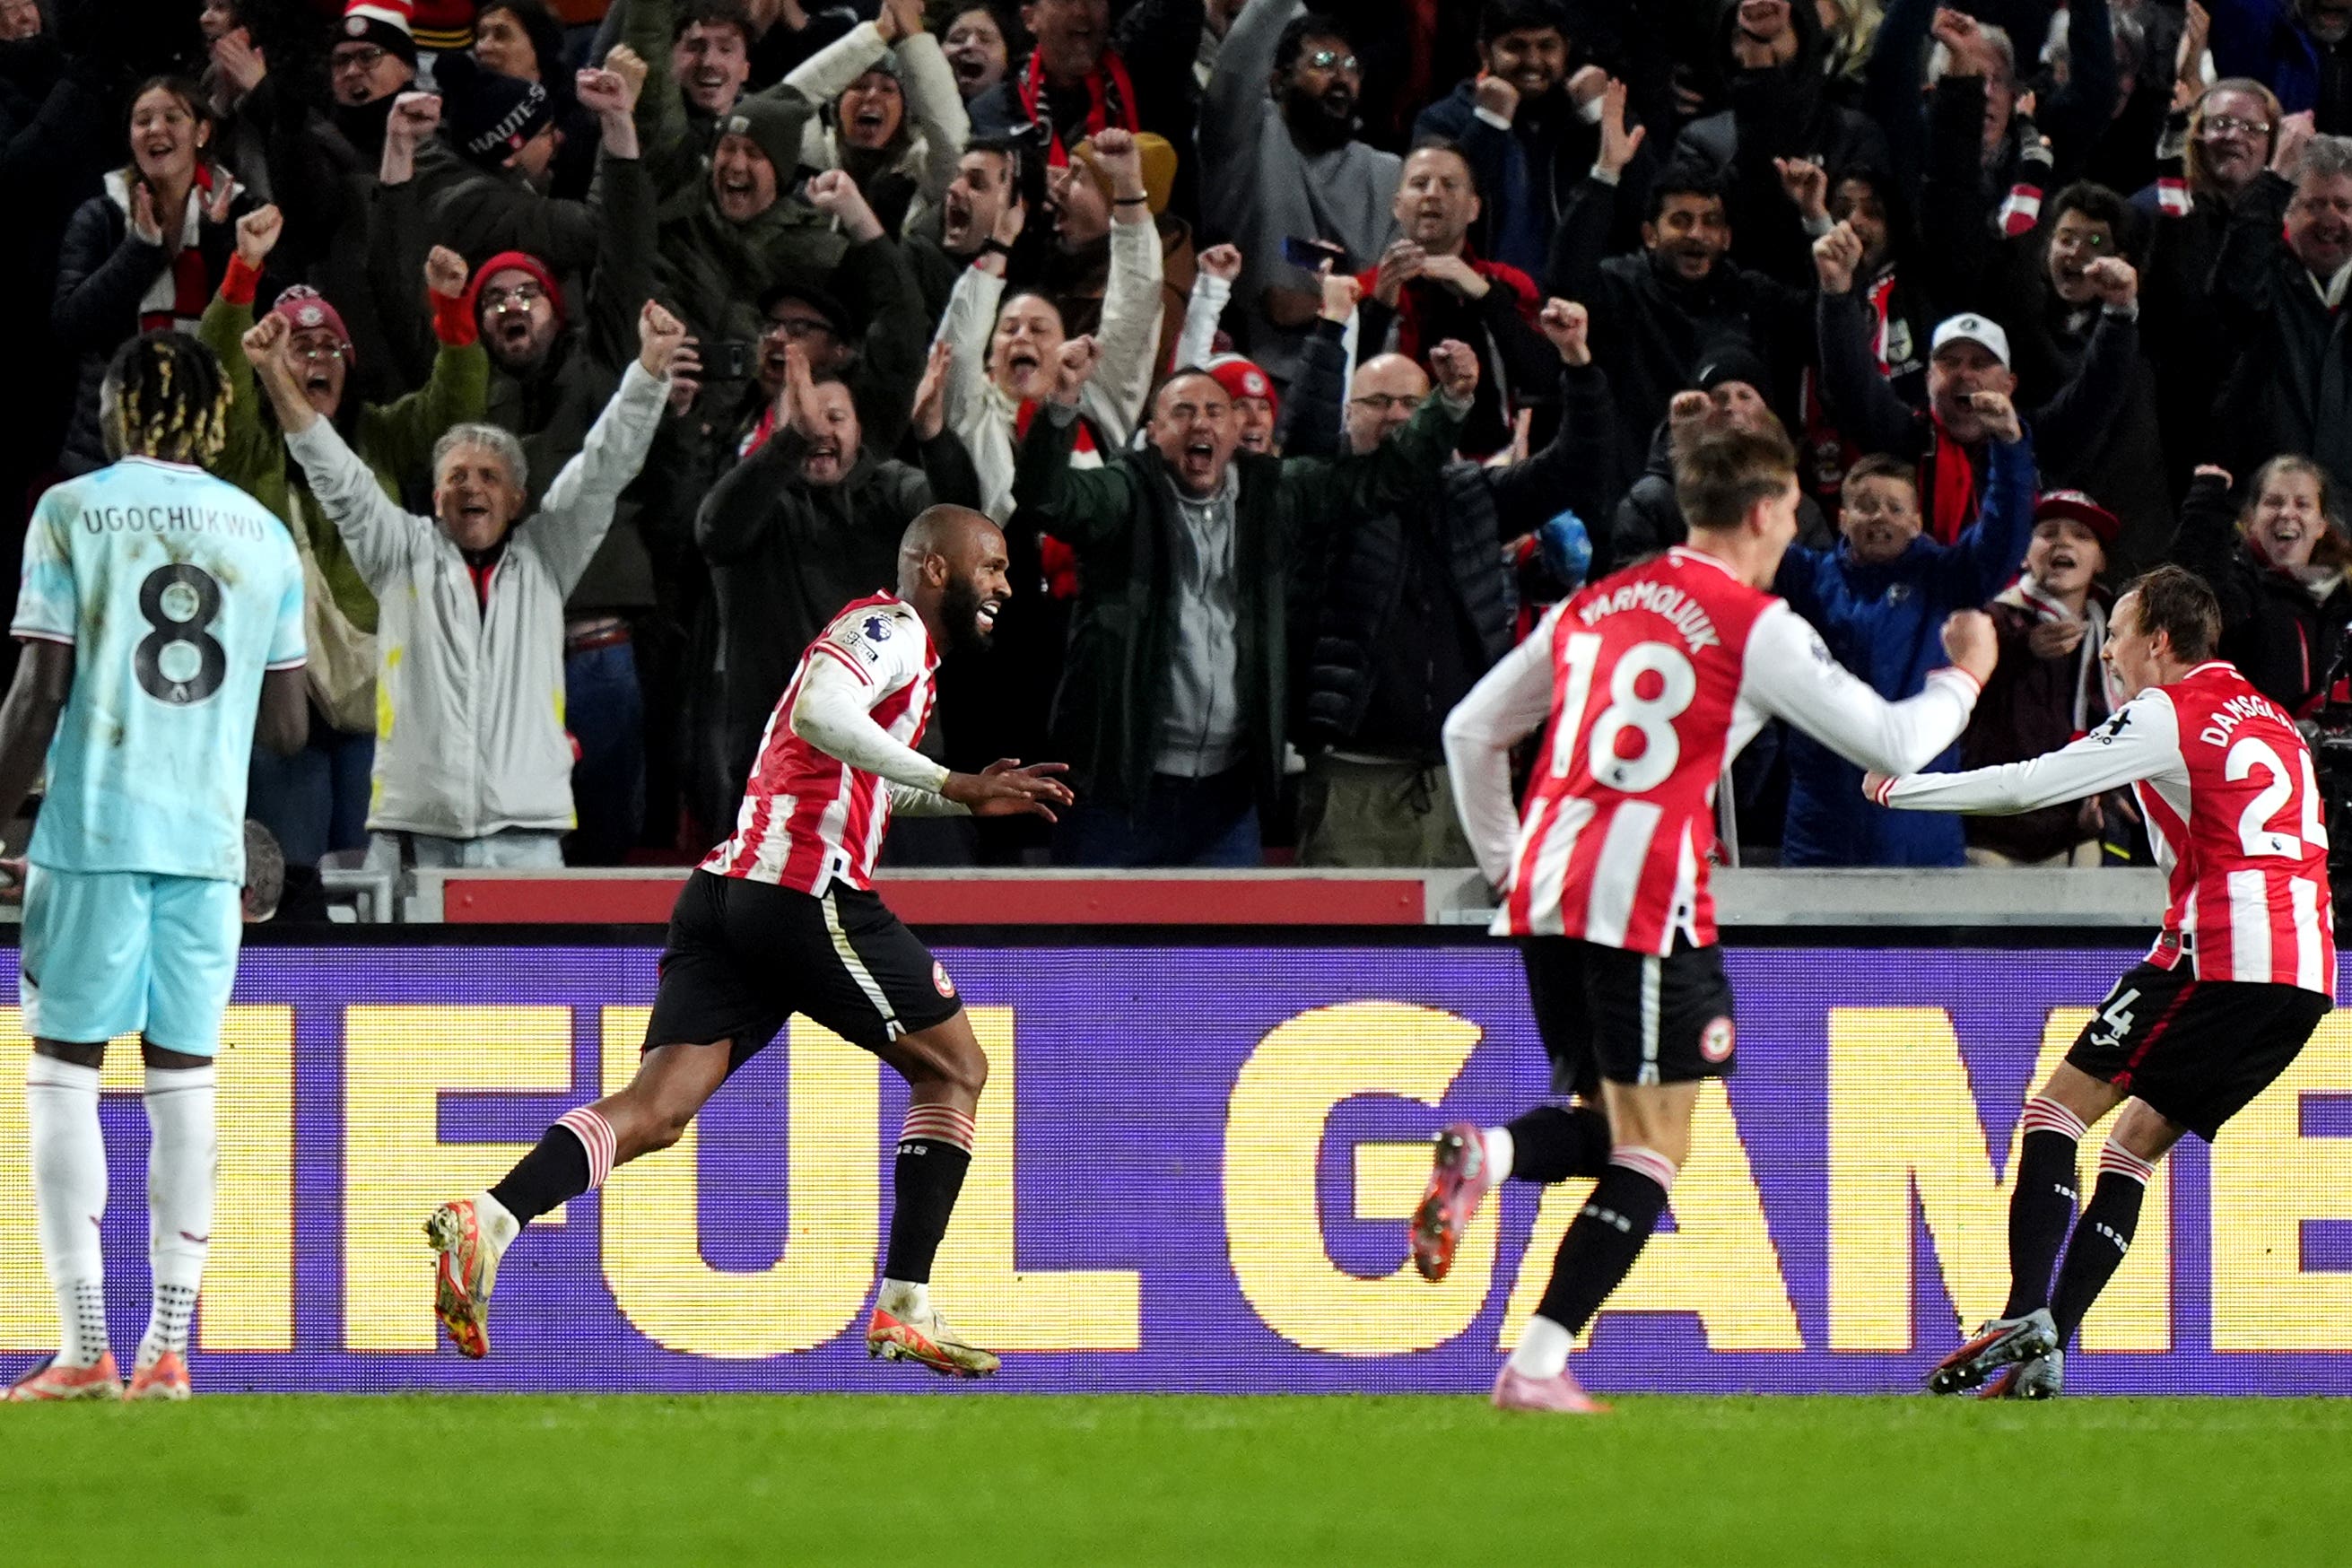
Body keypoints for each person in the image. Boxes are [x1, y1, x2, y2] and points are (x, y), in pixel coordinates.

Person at [1422, 419, 1997, 1412]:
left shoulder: (1593, 605)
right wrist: (1965, 673)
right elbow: (1897, 747)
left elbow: (1470, 730)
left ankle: (1497, 1160)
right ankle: (1537, 1365)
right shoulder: (1754, 622)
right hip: (1642, 898)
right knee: (1658, 1143)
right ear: (1769, 510)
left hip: (1546, 890)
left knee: (1608, 1123)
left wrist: (1515, 861)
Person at [424, 505, 1074, 1377]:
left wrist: (954, 796)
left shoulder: (897, 649)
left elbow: (844, 765)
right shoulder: (891, 626)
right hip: (801, 890)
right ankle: (906, 1303)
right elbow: (817, 711)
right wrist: (954, 775)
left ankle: (492, 1216)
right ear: (934, 568)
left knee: (657, 1110)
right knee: (956, 1067)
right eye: (990, 565)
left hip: (729, 890)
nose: (1003, 583)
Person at [1867, 565, 2336, 1398]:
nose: (2109, 651)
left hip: (2222, 955)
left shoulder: (2169, 710)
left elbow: (2028, 784)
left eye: (2117, 633)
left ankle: (2019, 1312)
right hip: (2305, 975)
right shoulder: (2273, 718)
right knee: (2133, 1147)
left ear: (2158, 640)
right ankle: (2053, 1344)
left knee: (2055, 1110)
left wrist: (1905, 791)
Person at [1, 332, 308, 1401]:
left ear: (121, 409)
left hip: (95, 829)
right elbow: (286, 724)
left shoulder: (72, 510)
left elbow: (39, 691)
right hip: (206, 848)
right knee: (184, 1083)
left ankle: (83, 1344)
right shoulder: (265, 535)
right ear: (217, 418)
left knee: (65, 1072)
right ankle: (167, 1348)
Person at [246, 300, 684, 872]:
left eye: (488, 477)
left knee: (525, 970)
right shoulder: (400, 553)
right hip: (411, 837)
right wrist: (274, 375)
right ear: (434, 497)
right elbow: (338, 476)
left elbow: (605, 468)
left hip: (526, 837)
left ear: (516, 499)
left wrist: (648, 371)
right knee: (397, 971)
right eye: (455, 477)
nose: (470, 488)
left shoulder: (548, 558)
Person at [1014, 333, 1480, 867]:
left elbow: (1381, 479)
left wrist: (1449, 404)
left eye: (1216, 410)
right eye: (1183, 412)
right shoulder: (1124, 495)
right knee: (1095, 949)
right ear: (1153, 433)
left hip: (1227, 798)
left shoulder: (1275, 495)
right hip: (1118, 791)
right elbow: (1046, 498)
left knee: (1225, 953)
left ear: (1237, 430)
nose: (1202, 423)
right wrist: (1061, 404)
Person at [1283, 299, 1614, 867]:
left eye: (1413, 403)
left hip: (1461, 781)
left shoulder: (1470, 495)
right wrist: (1330, 328)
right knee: (1346, 956)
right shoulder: (1320, 495)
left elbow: (1576, 468)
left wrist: (1577, 363)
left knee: (1463, 957)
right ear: (1346, 414)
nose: (1395, 416)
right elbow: (1302, 440)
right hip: (1353, 782)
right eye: (1377, 402)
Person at [1775, 403, 2036, 868]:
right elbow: (1746, 525)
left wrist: (2010, 450)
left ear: (1917, 522)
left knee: (1929, 944)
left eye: (1896, 508)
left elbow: (2004, 533)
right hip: (1822, 829)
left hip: (1922, 831)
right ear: (1841, 517)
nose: (1881, 517)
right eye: (1866, 506)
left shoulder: (1948, 577)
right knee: (1813, 945)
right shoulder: (1806, 580)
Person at [1198, 3, 1400, 388]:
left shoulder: (1387, 173)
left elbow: (1400, 284)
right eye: (1323, 63)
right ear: (1277, 81)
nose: (1341, 77)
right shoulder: (1244, 143)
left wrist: (1315, 303)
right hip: (1248, 379)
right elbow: (1238, 65)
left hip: (1361, 378)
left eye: (1352, 67)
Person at [1963, 490, 2119, 867]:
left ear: (2100, 561)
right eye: (2048, 532)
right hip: (1992, 835)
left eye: (2081, 536)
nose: (2063, 541)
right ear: (2023, 553)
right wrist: (2021, 648)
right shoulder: (1991, 618)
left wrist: (2108, 795)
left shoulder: (2114, 630)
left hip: (2072, 834)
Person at [2167, 457, 2352, 715]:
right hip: (2250, 746)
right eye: (2274, 502)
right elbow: (2187, 596)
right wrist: (2204, 506)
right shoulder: (2238, 588)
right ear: (2251, 520)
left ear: (2322, 525)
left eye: (2303, 504)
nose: (2287, 513)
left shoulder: (2341, 601)